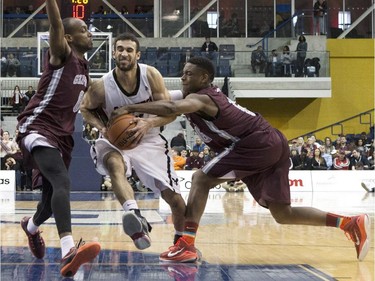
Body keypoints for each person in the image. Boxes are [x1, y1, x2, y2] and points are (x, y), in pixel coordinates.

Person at [114, 56, 370, 263]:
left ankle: (187, 245)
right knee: (282, 213)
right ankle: (349, 223)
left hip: (256, 142)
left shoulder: (203, 98)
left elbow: (170, 109)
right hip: (271, 142)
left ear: (204, 78)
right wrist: (125, 104)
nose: (183, 76)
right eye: (183, 72)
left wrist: (126, 110)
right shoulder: (191, 96)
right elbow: (163, 101)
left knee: (200, 179)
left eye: (189, 73)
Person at [79, 32, 186, 251]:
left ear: (137, 55)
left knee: (174, 199)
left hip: (149, 139)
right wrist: (101, 127)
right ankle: (135, 218)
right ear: (113, 53)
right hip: (116, 140)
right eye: (120, 49)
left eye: (129, 50)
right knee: (113, 164)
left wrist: (148, 124)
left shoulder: (151, 75)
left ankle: (182, 243)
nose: (124, 53)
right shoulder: (102, 86)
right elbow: (85, 107)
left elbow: (170, 112)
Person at [16, 0, 100, 277]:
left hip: (62, 136)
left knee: (49, 203)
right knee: (64, 182)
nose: (90, 33)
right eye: (84, 29)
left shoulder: (84, 67)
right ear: (67, 38)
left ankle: (30, 227)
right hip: (37, 126)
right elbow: (54, 24)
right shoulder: (61, 54)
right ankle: (68, 250)